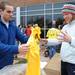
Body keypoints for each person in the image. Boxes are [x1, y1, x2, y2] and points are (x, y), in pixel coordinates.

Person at [0, 1, 29, 69]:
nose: (11, 14)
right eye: (8, 12)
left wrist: (35, 38)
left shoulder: (12, 25)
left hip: (9, 63)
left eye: (12, 12)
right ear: (1, 11)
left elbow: (23, 38)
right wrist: (17, 48)